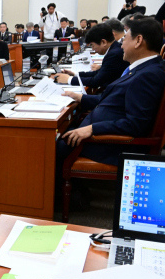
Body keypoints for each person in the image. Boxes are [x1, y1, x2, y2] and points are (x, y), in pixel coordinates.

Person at [57, 18, 165, 193]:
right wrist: (80, 98)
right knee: (63, 130)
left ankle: (63, 199)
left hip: (110, 143)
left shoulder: (148, 75)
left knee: (55, 146)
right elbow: (114, 101)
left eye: (125, 40)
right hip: (100, 128)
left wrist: (92, 129)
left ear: (138, 41)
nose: (121, 45)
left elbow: (135, 124)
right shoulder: (142, 68)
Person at [55, 24, 129, 89]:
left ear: (103, 42)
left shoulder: (114, 54)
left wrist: (69, 79)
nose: (93, 49)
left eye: (92, 45)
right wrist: (74, 74)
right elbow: (98, 73)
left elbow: (96, 81)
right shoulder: (114, 49)